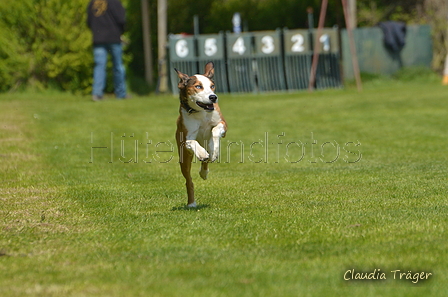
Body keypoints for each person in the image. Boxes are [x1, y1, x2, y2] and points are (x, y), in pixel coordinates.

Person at [87, 0, 128, 101]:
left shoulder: (93, 2)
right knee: (118, 66)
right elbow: (121, 19)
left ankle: (97, 94)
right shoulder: (114, 2)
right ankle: (120, 94)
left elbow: (88, 21)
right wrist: (120, 32)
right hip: (113, 38)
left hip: (98, 38)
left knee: (99, 66)